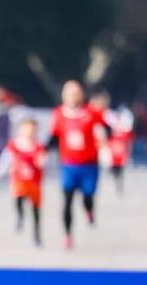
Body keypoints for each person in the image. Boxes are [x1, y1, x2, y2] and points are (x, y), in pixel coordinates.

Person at [48, 80, 107, 249]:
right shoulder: (59, 114)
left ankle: (89, 210)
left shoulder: (91, 112)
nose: (73, 97)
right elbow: (54, 136)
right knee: (67, 200)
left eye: (76, 93)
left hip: (89, 165)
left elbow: (105, 128)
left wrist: (104, 139)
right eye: (69, 93)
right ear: (64, 96)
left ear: (81, 95)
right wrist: (44, 150)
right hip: (69, 165)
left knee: (88, 195)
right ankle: (68, 235)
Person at [0, 118, 46, 246]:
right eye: (27, 129)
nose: (30, 132)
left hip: (34, 181)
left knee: (36, 210)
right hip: (19, 179)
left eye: (32, 130)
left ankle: (37, 235)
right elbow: (6, 158)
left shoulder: (38, 146)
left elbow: (43, 161)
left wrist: (42, 161)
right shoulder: (14, 145)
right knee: (18, 198)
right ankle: (20, 216)